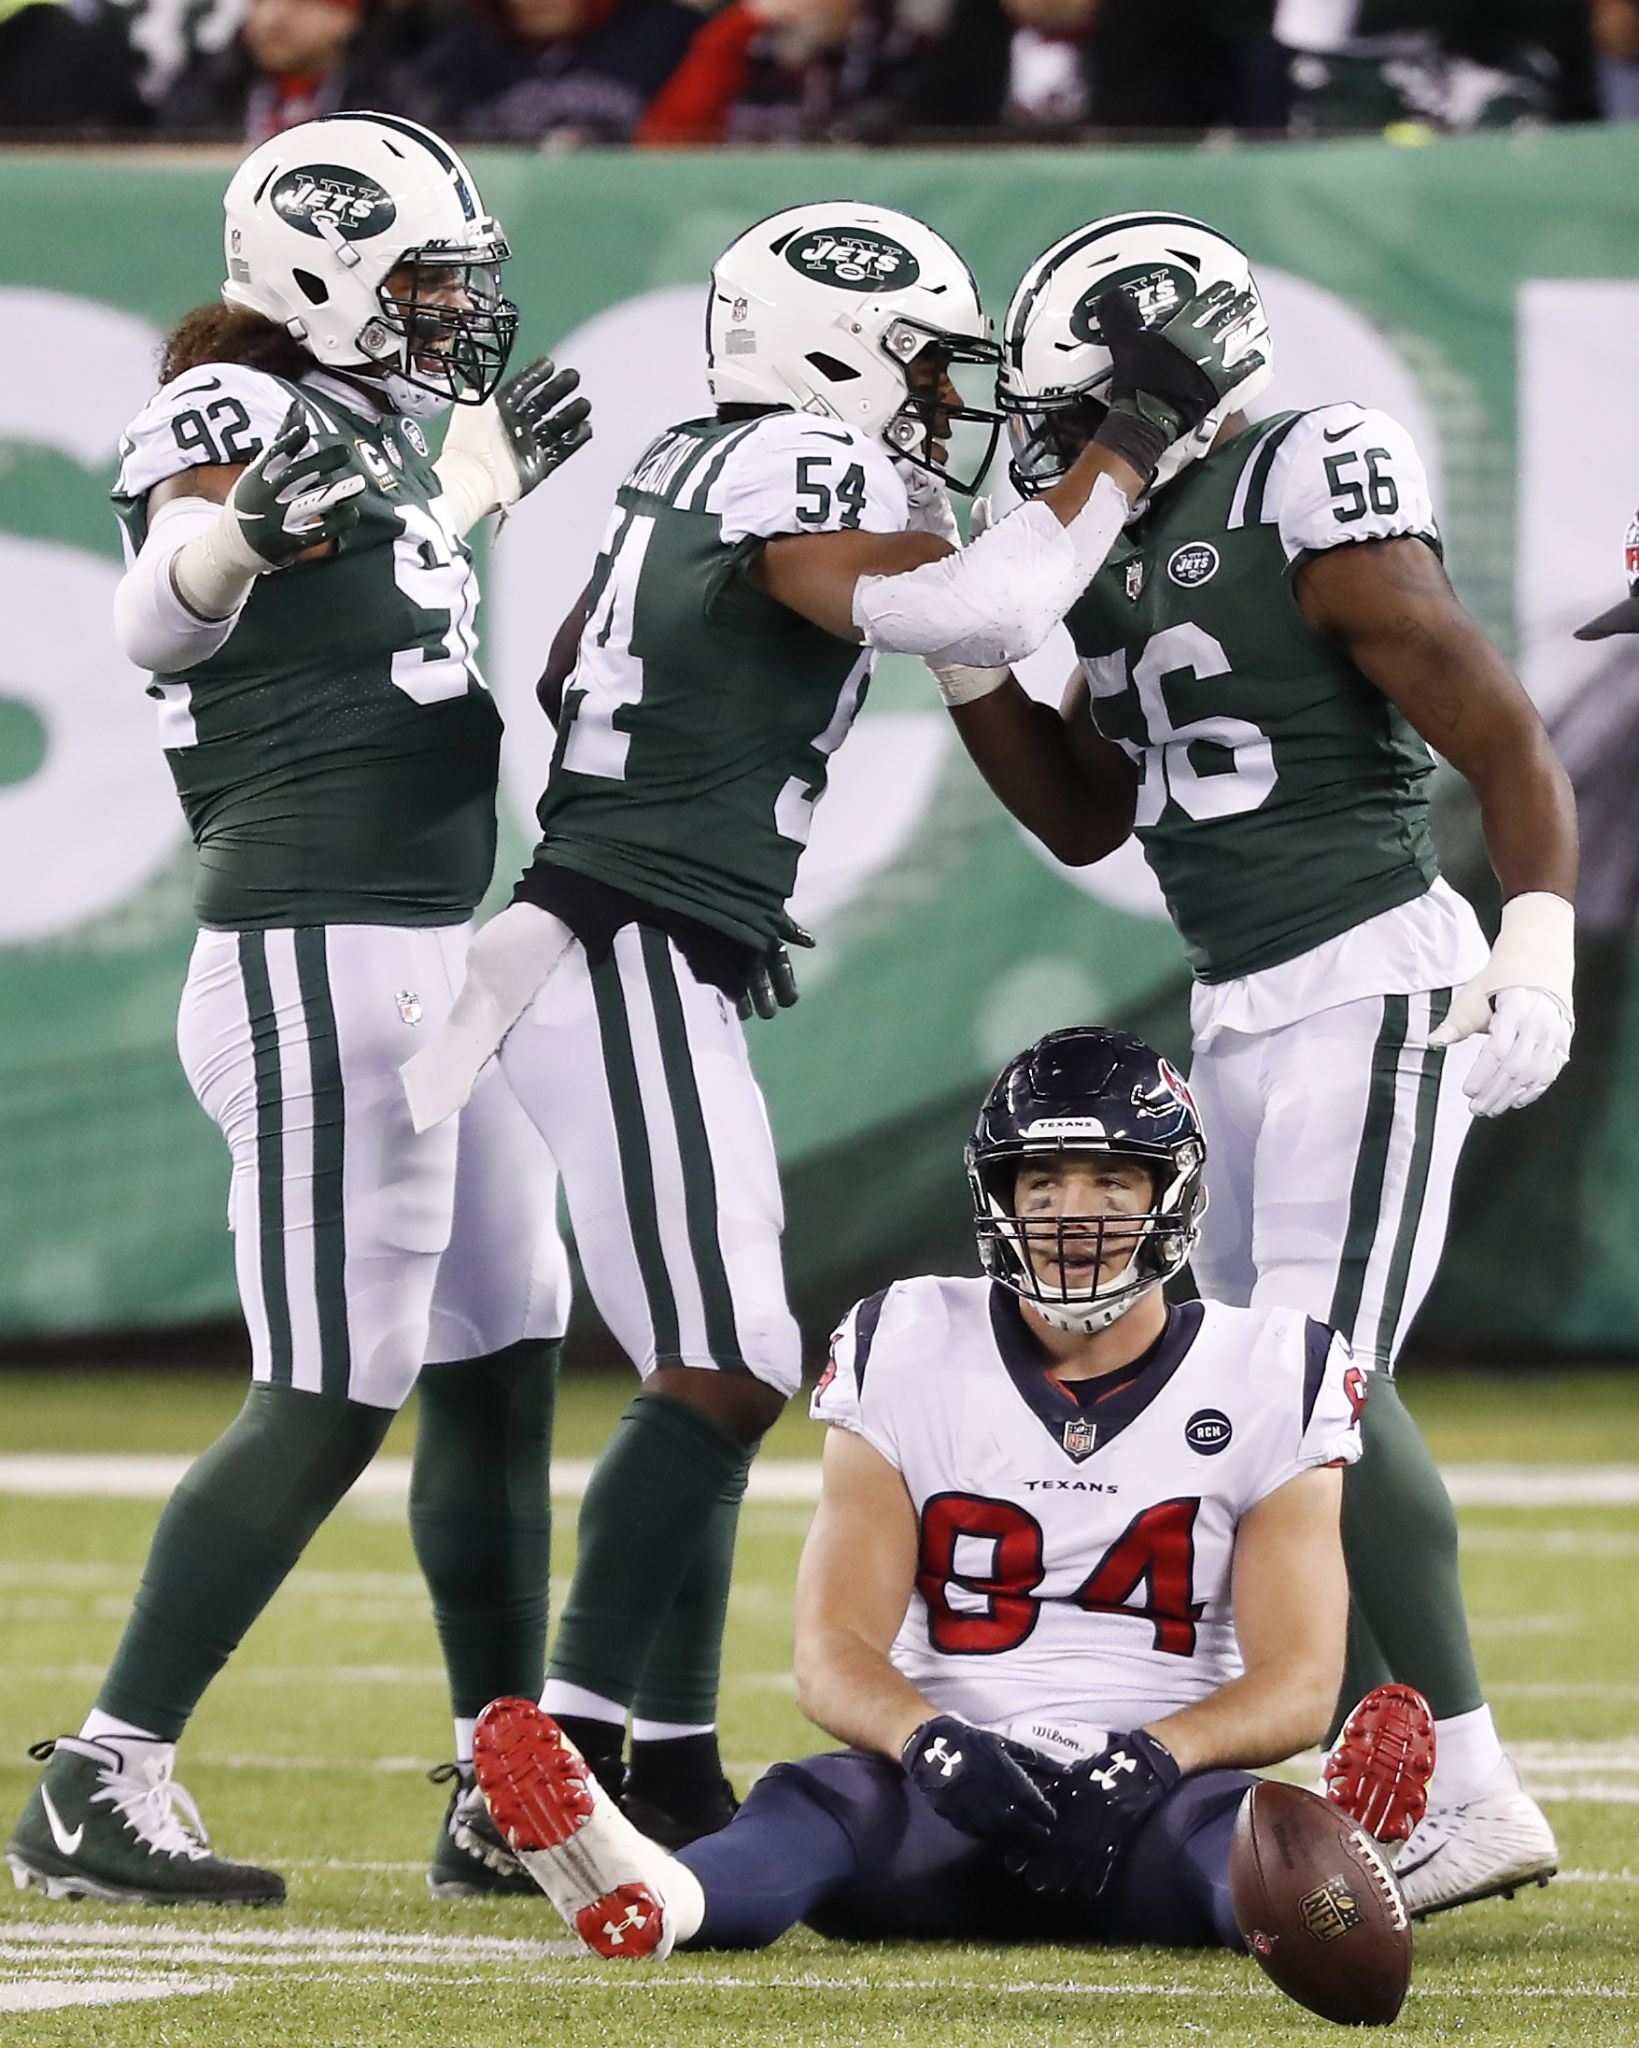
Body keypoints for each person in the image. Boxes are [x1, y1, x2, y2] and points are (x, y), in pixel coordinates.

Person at [400, 202, 1269, 1853]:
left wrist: (707, 862)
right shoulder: (808, 458)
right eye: (928, 363)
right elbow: (979, 615)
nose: (944, 399)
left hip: (624, 928)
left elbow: (580, 665)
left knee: (707, 1353)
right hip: (619, 938)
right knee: (722, 1365)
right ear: (831, 345)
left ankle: (657, 1754)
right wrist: (1125, 450)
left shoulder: (688, 460)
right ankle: (546, 1779)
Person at [930, 209, 1576, 1918]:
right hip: (1234, 1003)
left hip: (1366, 974)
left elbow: (1489, 715)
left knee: (1313, 1387)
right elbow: (1087, 808)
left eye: (1082, 402)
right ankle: (1358, 1759)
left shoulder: (1305, 470)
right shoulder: (1113, 541)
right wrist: (966, 656)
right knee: (1248, 1408)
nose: (1060, 443)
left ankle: (1463, 1778)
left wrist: (1537, 924)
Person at [5, 112, 592, 1907]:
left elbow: (386, 567)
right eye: (420, 282)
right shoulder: (237, 413)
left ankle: (506, 1780)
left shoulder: (372, 435)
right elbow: (159, 612)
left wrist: (476, 486)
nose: (450, 315)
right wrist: (223, 548)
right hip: (314, 952)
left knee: (505, 1354)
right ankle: (102, 1773)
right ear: (316, 267)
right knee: (333, 1387)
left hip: (428, 947)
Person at [468, 1025, 1432, 1968]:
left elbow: (1301, 1683)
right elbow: (833, 1649)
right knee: (814, 1805)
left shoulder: (1272, 1367)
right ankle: (655, 1896)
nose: (1071, 1213)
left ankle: (1329, 1882)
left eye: (1111, 1180)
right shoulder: (907, 1338)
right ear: (996, 1195)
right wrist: (928, 1744)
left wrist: (1154, 1758)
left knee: (1245, 1848)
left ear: (1171, 1195)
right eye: (1041, 1183)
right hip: (934, 1801)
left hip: (1159, 1808)